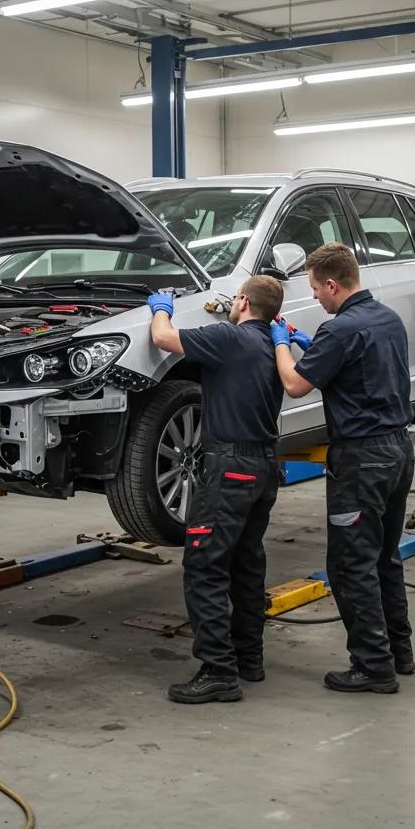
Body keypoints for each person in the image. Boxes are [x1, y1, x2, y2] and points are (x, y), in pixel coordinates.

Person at [272, 242, 415, 695]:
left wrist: (281, 345)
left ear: (332, 284)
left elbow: (295, 385)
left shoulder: (339, 330)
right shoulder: (387, 319)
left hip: (361, 462)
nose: (315, 296)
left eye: (316, 289)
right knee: (385, 557)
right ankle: (399, 653)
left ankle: (373, 667)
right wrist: (308, 344)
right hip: (397, 453)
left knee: (352, 565)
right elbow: (359, 364)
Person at [148, 276, 285, 704]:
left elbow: (162, 338)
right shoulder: (272, 345)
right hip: (263, 467)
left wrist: (161, 307)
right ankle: (249, 659)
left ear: (243, 301)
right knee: (246, 562)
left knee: (204, 566)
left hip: (230, 467)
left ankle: (218, 671)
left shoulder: (230, 337)